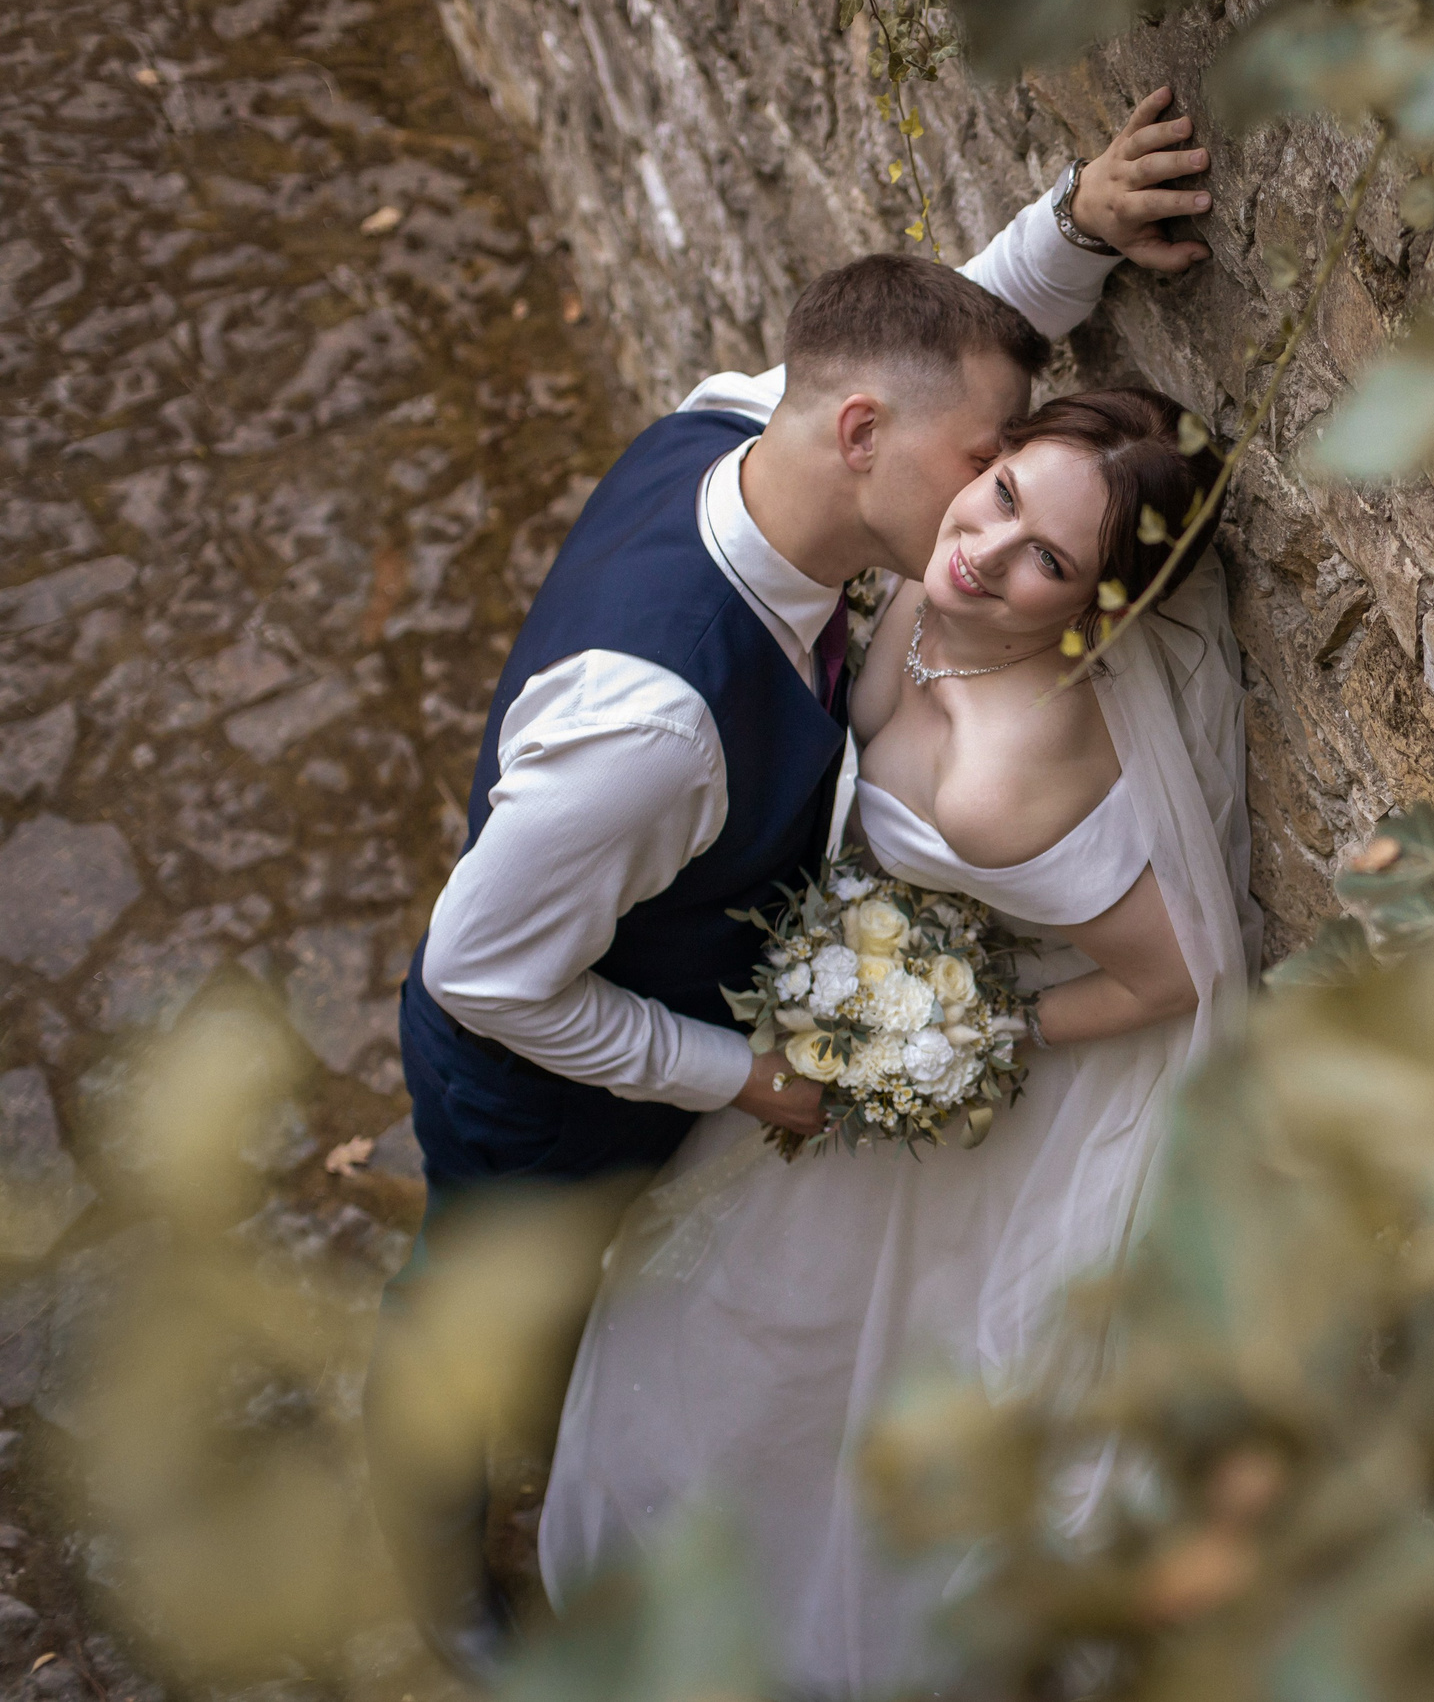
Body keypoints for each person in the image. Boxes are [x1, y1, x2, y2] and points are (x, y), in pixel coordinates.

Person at [366, 94, 1219, 1689]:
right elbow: (483, 972)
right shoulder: (652, 724)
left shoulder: (739, 426)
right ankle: (440, 1567)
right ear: (867, 450)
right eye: (987, 472)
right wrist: (751, 1076)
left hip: (672, 990)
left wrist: (1075, 231)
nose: (983, 509)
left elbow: (916, 374)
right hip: (538, 1078)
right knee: (474, 1307)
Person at [537, 389, 1260, 1698]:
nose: (985, 549)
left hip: (964, 1054)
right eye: (1002, 497)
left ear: (1095, 608)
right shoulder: (931, 599)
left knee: (870, 1371)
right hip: (865, 977)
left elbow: (1177, 971)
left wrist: (982, 1033)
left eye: (1048, 559)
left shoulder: (1006, 775)